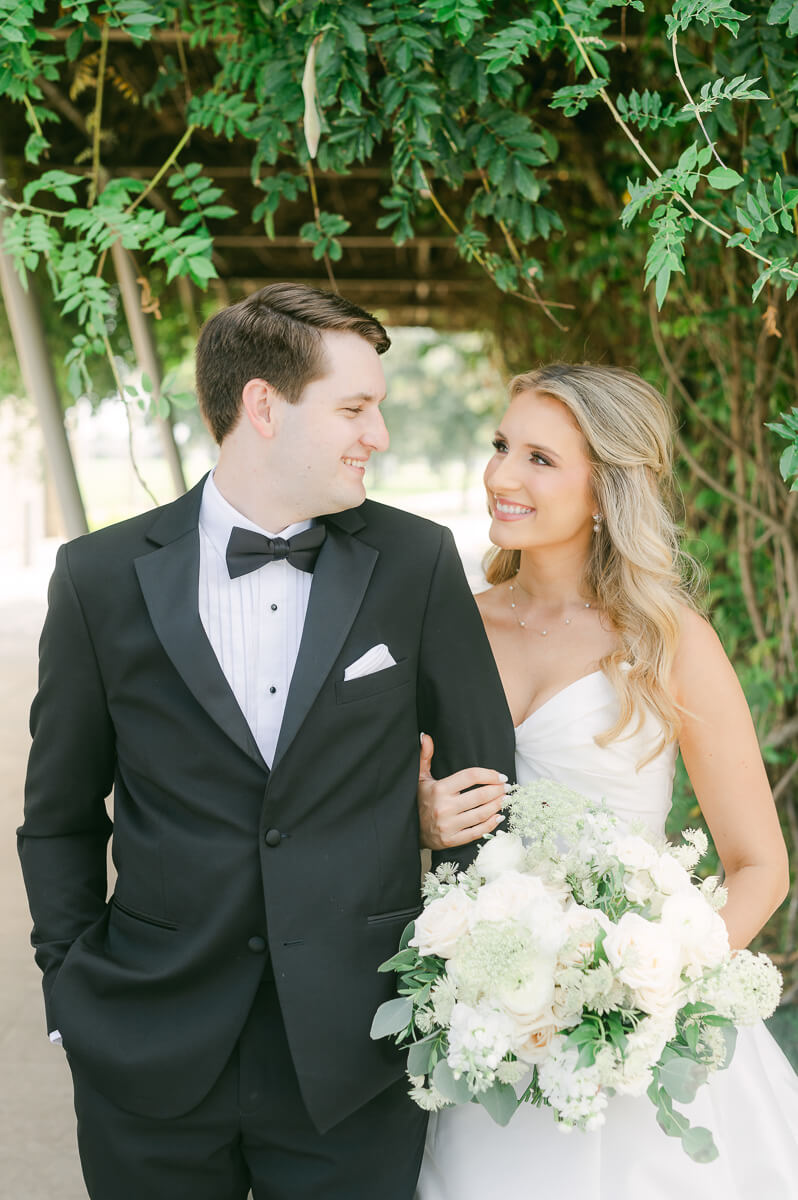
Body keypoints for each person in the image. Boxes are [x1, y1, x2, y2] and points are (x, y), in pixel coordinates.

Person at [17, 283, 515, 1200]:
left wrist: (456, 992)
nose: (380, 434)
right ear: (262, 407)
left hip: (356, 1052)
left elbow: (487, 791)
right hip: (149, 1050)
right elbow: (57, 815)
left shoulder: (417, 564)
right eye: (356, 408)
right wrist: (71, 994)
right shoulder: (99, 579)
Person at [415, 363, 798, 1199]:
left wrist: (650, 995)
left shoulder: (669, 641)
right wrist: (420, 818)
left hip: (640, 1040)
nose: (501, 475)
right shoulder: (448, 626)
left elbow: (760, 867)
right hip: (484, 1020)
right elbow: (384, 805)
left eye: (540, 459)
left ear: (604, 493)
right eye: (501, 445)